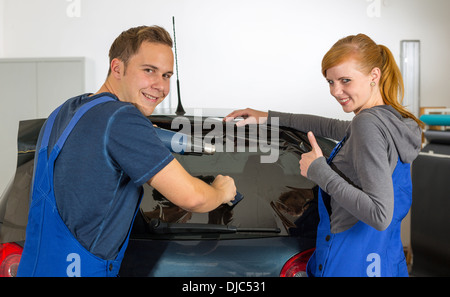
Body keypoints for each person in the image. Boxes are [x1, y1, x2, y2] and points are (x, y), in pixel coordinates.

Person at [17, 25, 236, 277]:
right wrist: (220, 192)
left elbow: (84, 191)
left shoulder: (66, 111)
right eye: (149, 71)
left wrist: (140, 132)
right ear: (117, 68)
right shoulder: (122, 118)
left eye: (166, 75)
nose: (160, 86)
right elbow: (193, 198)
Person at [225, 33, 423, 277]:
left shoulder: (368, 125)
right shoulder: (390, 120)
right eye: (330, 82)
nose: (336, 91)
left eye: (345, 80)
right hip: (384, 259)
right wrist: (267, 116)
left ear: (374, 75)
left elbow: (380, 214)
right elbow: (329, 126)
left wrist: (319, 171)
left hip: (352, 259)